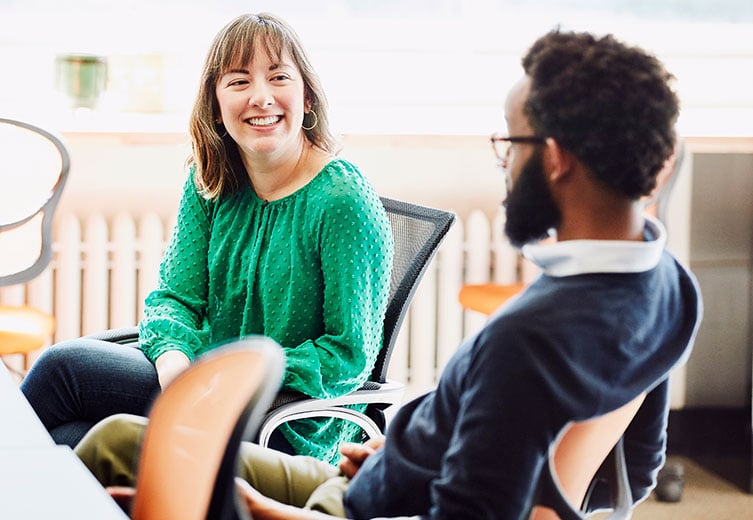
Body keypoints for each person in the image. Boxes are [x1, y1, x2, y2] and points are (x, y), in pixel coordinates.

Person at [76, 29, 702, 519]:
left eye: (509, 146)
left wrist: (276, 514)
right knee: (107, 430)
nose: (504, 164)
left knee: (113, 446)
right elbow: (633, 472)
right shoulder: (671, 288)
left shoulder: (527, 342)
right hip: (378, 469)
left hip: (346, 505)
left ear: (558, 160)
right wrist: (420, 446)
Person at [21, 12, 393, 464]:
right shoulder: (211, 182)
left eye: (278, 77)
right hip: (200, 385)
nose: (261, 97)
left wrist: (225, 373)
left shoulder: (342, 201)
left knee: (62, 371)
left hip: (283, 421)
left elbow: (347, 355)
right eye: (238, 81)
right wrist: (177, 363)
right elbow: (175, 298)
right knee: (75, 437)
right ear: (215, 105)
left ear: (307, 97)